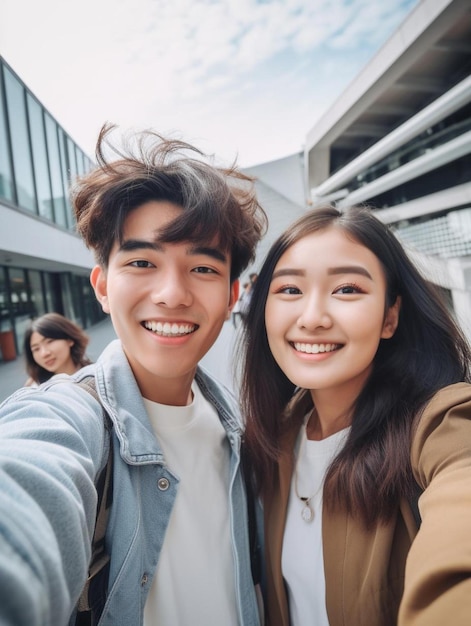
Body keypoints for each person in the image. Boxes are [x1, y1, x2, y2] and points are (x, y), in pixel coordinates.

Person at [0, 123, 267, 626]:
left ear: (232, 297)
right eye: (142, 261)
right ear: (102, 286)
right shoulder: (66, 417)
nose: (172, 293)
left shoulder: (236, 425)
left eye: (204, 268)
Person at [240, 204, 471, 626]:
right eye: (289, 290)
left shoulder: (440, 423)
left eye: (347, 289)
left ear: (390, 317)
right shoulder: (275, 438)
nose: (312, 319)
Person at [23, 312, 92, 386]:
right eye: (36, 349)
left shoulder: (96, 375)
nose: (44, 353)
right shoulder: (35, 390)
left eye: (49, 341)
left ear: (69, 340)